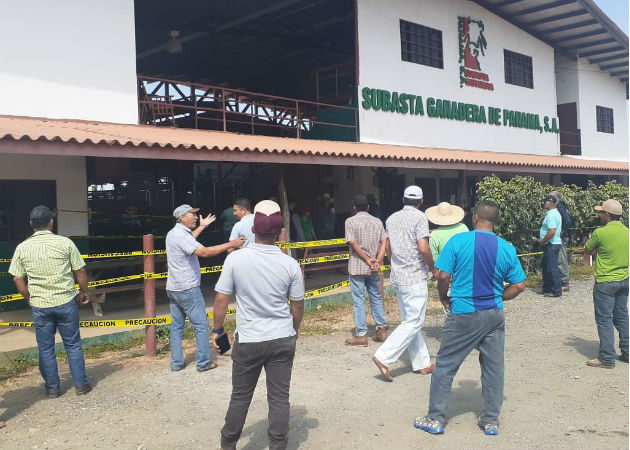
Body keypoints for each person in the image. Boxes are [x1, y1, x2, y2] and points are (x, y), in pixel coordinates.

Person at [414, 200, 526, 436]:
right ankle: (491, 421)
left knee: (445, 366)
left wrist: (444, 297)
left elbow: (443, 275)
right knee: (494, 369)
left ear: (475, 217)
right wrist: (499, 299)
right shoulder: (506, 247)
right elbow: (519, 286)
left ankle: (435, 418)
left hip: (463, 312)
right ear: (494, 221)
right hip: (493, 315)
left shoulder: (458, 242)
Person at [212, 200, 305, 450]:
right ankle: (278, 445)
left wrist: (218, 331)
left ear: (252, 230)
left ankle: (228, 443)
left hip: (250, 339)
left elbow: (221, 299)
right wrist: (294, 332)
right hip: (282, 338)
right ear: (278, 232)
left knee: (241, 396)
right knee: (279, 398)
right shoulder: (290, 264)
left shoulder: (236, 260)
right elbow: (297, 306)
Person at [8, 205, 93, 398]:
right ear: (51, 223)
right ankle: (80, 385)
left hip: (40, 305)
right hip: (66, 301)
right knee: (73, 345)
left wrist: (29, 298)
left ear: (31, 224)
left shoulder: (22, 247)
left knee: (46, 348)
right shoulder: (66, 243)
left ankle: (53, 389)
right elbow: (80, 271)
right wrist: (84, 291)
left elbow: (17, 278)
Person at [166, 204, 244, 372]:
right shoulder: (181, 235)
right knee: (201, 326)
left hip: (173, 288)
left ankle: (177, 363)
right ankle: (203, 363)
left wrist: (201, 226)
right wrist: (232, 243)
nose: (195, 217)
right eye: (192, 215)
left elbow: (189, 243)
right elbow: (205, 252)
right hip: (187, 287)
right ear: (181, 218)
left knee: (176, 327)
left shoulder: (174, 233)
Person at [373, 185, 436, 381]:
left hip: (398, 276)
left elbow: (389, 247)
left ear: (403, 200)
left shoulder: (391, 218)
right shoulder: (420, 218)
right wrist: (433, 268)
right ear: (421, 202)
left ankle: (422, 363)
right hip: (414, 276)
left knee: (411, 320)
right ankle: (384, 356)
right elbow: (424, 248)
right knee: (414, 321)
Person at [583, 199, 629, 369]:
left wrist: (591, 253)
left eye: (602, 212)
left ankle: (607, 357)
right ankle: (627, 352)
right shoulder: (627, 231)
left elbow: (588, 248)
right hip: (624, 279)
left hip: (605, 281)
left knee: (604, 319)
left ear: (607, 215)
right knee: (622, 317)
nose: (600, 215)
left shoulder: (600, 233)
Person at [344, 194, 388, 346]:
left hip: (357, 266)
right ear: (368, 207)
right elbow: (384, 241)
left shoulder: (350, 221)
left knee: (358, 301)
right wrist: (378, 259)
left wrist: (366, 259)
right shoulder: (377, 221)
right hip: (374, 268)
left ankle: (361, 334)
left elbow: (353, 243)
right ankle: (382, 329)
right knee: (376, 297)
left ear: (354, 207)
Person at [538, 195, 563, 297]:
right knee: (547, 267)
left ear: (549, 204)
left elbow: (552, 231)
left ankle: (556, 291)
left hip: (551, 244)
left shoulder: (551, 215)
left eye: (545, 202)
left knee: (552, 268)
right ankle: (547, 289)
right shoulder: (555, 213)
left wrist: (543, 241)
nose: (543, 204)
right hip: (553, 243)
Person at [550, 191, 572, 291]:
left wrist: (562, 231)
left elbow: (568, 220)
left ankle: (565, 283)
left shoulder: (560, 208)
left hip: (561, 238)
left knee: (561, 259)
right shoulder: (556, 208)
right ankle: (559, 281)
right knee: (557, 259)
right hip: (556, 238)